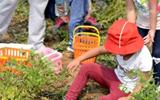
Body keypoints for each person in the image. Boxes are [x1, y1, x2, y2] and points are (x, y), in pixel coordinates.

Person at [65, 19, 152, 100]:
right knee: (87, 68)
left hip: (125, 87)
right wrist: (79, 59)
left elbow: (142, 84)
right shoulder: (118, 44)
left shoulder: (143, 58)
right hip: (114, 76)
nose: (115, 52)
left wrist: (130, 98)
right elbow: (99, 50)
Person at [126, 0, 160, 86]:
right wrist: (131, 29)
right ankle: (137, 81)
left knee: (157, 53)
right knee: (137, 51)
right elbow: (131, 10)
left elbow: (153, 10)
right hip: (141, 24)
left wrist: (152, 31)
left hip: (158, 24)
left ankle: (158, 82)